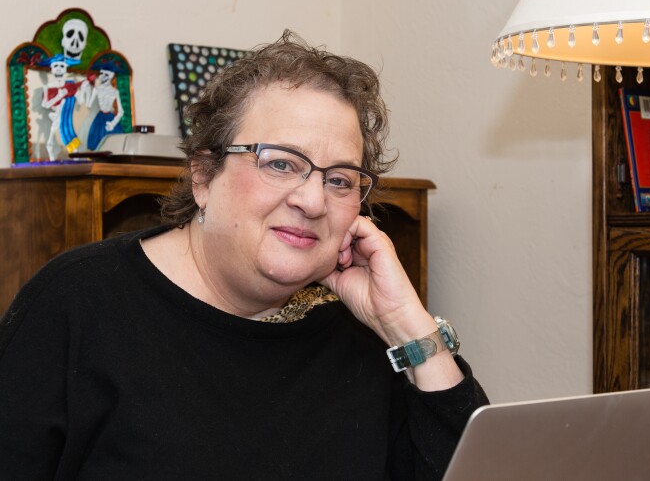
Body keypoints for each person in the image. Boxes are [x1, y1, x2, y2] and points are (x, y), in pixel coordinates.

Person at [0, 31, 488, 479]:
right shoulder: (75, 305)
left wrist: (410, 327)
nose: (313, 201)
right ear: (204, 175)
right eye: (280, 163)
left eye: (339, 179)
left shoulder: (364, 335)